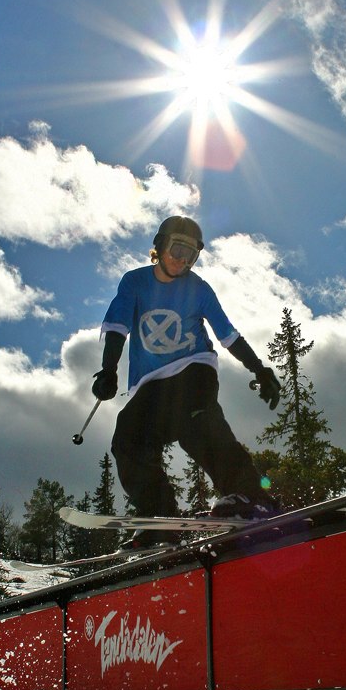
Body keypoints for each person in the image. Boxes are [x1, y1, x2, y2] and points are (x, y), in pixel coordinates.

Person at [92, 215, 281, 545]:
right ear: (160, 246)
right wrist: (109, 370)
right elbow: (117, 327)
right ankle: (159, 514)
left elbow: (228, 335)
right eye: (177, 249)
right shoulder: (134, 283)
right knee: (128, 439)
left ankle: (251, 495)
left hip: (195, 368)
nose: (182, 260)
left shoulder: (199, 289)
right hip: (151, 382)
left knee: (195, 420)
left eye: (191, 255)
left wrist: (259, 369)